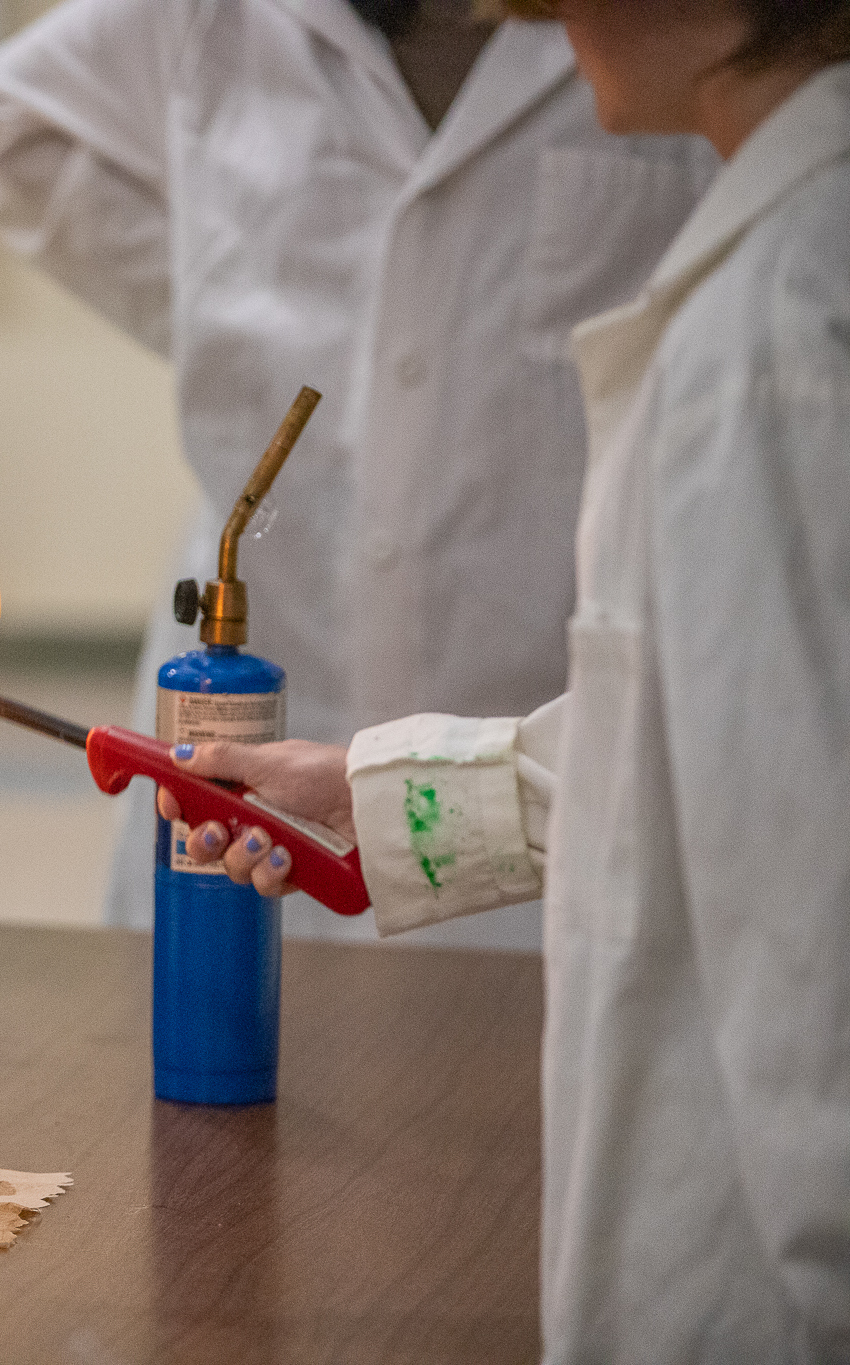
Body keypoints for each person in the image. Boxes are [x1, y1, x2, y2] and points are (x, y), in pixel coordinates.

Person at [165, 2, 850, 1353]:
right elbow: (689, 740)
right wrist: (371, 787)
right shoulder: (774, 274)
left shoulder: (779, 333)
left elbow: (807, 920)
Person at [0, 0, 721, 942]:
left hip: (547, 747)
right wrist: (222, 324)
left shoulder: (661, 49)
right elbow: (8, 123)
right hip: (281, 702)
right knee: (222, 1042)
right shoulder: (217, 19)